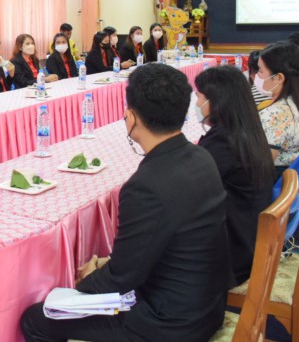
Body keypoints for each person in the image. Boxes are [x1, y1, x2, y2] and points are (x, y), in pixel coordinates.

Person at [20, 63, 229, 342]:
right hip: (207, 307)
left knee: (36, 318)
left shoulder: (145, 186)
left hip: (168, 324)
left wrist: (85, 281)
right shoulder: (201, 156)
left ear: (131, 117)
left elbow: (121, 278)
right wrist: (106, 266)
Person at [194, 66, 275, 286]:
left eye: (199, 97)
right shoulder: (247, 129)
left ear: (216, 101)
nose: (197, 103)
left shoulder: (223, 142)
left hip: (233, 256)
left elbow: (190, 189)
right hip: (249, 238)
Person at [255, 41, 299, 173]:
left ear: (279, 78)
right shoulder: (298, 100)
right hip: (294, 174)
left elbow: (262, 164)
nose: (257, 76)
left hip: (279, 177)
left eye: (260, 71)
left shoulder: (275, 114)